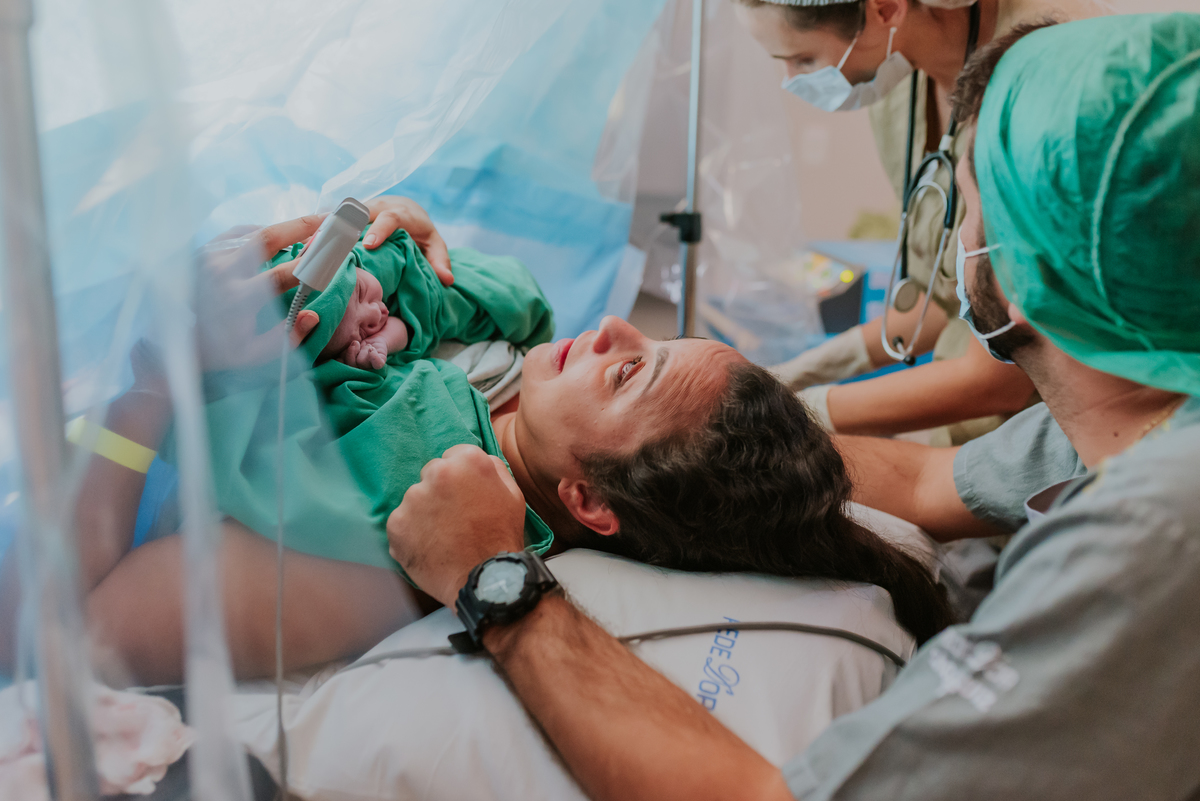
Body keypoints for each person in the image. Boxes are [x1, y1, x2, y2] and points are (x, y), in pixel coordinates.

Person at [386, 12, 1200, 800]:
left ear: (1034, 277)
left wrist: (495, 580)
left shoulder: (1152, 539)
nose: (954, 237)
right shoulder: (1131, 422)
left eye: (970, 203)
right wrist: (736, 437)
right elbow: (928, 482)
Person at [23, 203, 952, 685]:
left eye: (628, 373)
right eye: (652, 342)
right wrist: (387, 252)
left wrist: (151, 389)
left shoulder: (377, 547)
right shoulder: (514, 370)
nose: (615, 330)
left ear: (588, 500)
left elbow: (69, 632)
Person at [734, 0, 1099, 441]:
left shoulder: (1048, 84)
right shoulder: (901, 89)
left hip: (1054, 430)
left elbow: (1003, 372)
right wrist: (795, 374)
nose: (793, 80)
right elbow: (945, 301)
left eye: (804, 59)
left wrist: (802, 413)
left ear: (886, 10)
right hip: (965, 425)